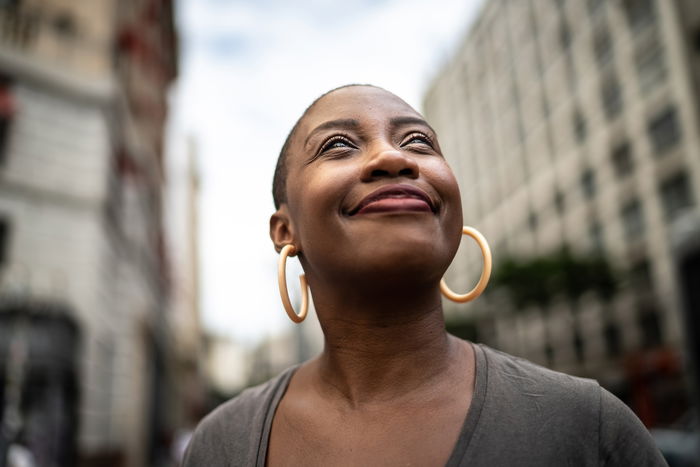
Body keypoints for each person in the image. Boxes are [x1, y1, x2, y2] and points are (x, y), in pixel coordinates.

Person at [183, 85, 668, 466]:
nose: (395, 158)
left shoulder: (587, 424)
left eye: (418, 141)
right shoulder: (222, 443)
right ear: (285, 230)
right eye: (338, 145)